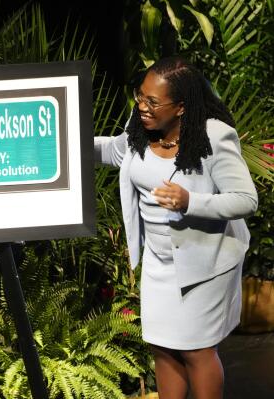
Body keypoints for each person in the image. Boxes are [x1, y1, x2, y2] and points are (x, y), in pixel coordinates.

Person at [95, 56, 257, 398]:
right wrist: (69, 145)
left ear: (181, 107)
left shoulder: (214, 136)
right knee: (164, 349)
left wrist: (190, 202)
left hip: (206, 263)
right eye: (140, 96)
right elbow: (114, 151)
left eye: (153, 101)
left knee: (197, 351)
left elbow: (245, 199)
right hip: (158, 264)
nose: (143, 106)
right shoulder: (140, 127)